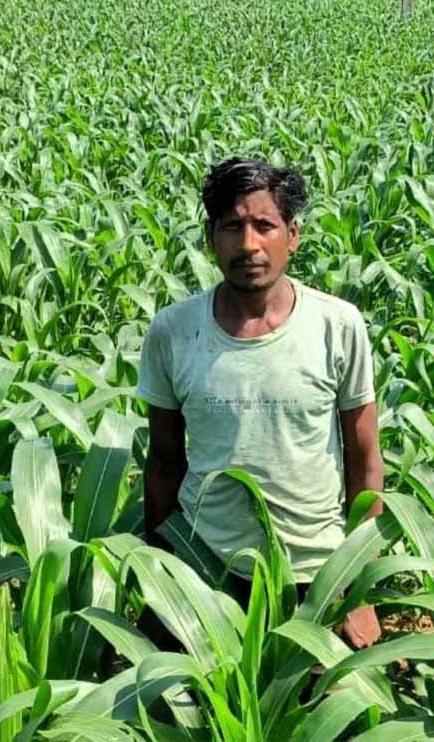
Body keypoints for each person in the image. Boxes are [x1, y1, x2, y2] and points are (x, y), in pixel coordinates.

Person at [136, 157, 383, 649]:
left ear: (292, 235)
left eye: (264, 226)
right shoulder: (173, 331)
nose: (248, 244)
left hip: (316, 571)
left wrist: (358, 586)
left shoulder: (338, 325)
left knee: (323, 698)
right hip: (206, 567)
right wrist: (160, 578)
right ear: (210, 238)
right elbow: (163, 463)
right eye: (232, 227)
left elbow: (365, 459)